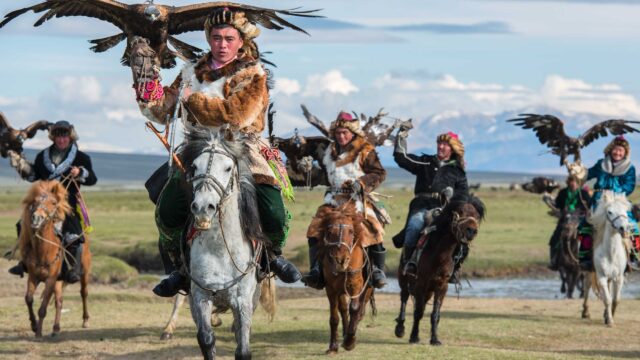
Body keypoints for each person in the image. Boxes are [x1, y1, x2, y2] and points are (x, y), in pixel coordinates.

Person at [132, 7, 301, 297]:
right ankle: (179, 268)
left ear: (240, 41)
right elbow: (162, 113)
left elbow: (234, 116)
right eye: (216, 38)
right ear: (209, 39)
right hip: (197, 147)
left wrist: (193, 100)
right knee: (168, 206)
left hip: (241, 147)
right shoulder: (189, 72)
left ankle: (272, 256)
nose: (222, 44)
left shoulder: (253, 75)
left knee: (272, 207)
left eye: (229, 38)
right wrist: (147, 84)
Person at [293, 111, 388, 289]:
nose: (341, 136)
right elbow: (321, 176)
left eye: (344, 133)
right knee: (314, 230)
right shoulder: (329, 151)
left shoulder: (365, 150)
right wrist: (306, 170)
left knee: (374, 229)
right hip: (332, 200)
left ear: (352, 133)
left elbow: (380, 173)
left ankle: (377, 270)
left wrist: (361, 183)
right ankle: (316, 271)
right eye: (338, 133)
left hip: (357, 200)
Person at [7, 121, 97, 283]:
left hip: (67, 205)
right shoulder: (43, 156)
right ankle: (24, 263)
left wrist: (80, 172)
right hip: (43, 203)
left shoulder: (82, 157)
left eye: (64, 136)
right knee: (22, 225)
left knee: (74, 237)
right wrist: (21, 165)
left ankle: (72, 269)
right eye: (58, 136)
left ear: (70, 137)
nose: (61, 139)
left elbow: (92, 179)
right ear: (53, 138)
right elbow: (34, 176)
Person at [392, 128, 469, 281]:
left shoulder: (457, 171)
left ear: (452, 148)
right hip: (422, 206)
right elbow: (402, 158)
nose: (441, 146)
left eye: (445, 144)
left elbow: (463, 195)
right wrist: (401, 136)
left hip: (445, 211)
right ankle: (409, 262)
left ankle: (453, 269)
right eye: (439, 143)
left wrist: (451, 196)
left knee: (461, 237)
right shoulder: (425, 161)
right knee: (415, 225)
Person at [578, 136, 639, 270]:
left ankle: (634, 256)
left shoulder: (630, 168)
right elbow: (588, 174)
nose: (618, 153)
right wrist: (578, 171)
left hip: (619, 200)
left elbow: (629, 186)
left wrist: (614, 192)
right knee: (586, 225)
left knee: (633, 226)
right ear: (611, 150)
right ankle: (585, 257)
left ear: (625, 153)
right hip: (599, 199)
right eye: (616, 150)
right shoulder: (601, 164)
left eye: (621, 151)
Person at [548, 175, 590, 271]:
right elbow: (557, 205)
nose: (573, 183)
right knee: (554, 238)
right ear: (568, 182)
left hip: (579, 220)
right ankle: (553, 260)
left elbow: (589, 206)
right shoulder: (563, 193)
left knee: (587, 238)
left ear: (578, 183)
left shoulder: (583, 193)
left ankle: (587, 260)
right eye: (571, 181)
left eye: (575, 182)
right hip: (565, 220)